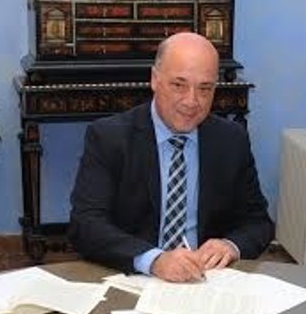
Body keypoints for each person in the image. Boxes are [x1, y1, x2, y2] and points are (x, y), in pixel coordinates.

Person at [68, 31, 273, 281]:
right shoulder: (109, 138)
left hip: (206, 280)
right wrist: (154, 260)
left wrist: (230, 246)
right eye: (179, 85)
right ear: (155, 80)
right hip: (134, 277)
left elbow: (258, 223)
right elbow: (86, 225)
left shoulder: (231, 140)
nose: (192, 101)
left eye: (205, 89)